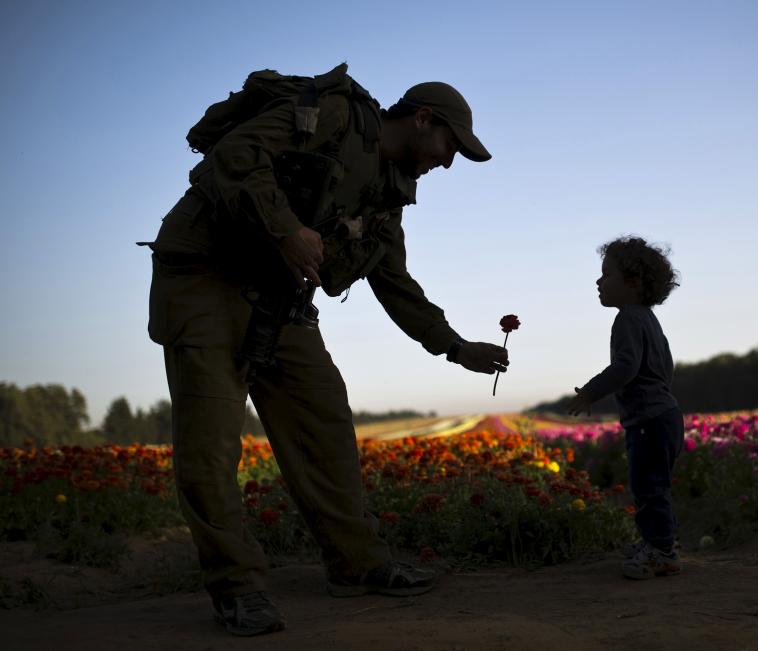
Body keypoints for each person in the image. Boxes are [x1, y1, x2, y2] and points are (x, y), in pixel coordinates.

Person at [142, 64, 509, 636]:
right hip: (204, 282)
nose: (448, 161)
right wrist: (286, 228)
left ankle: (357, 566)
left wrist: (456, 347)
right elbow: (234, 155)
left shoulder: (388, 198)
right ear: (423, 119)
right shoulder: (333, 116)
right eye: (450, 145)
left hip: (279, 303)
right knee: (211, 449)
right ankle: (237, 587)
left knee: (327, 426)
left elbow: (396, 286)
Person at [566, 236, 683, 579]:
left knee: (648, 487)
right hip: (665, 415)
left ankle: (661, 552)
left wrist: (590, 392)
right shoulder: (648, 318)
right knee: (655, 485)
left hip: (648, 420)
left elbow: (626, 367)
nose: (599, 282)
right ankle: (657, 543)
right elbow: (666, 366)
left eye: (606, 275)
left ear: (633, 283)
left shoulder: (627, 319)